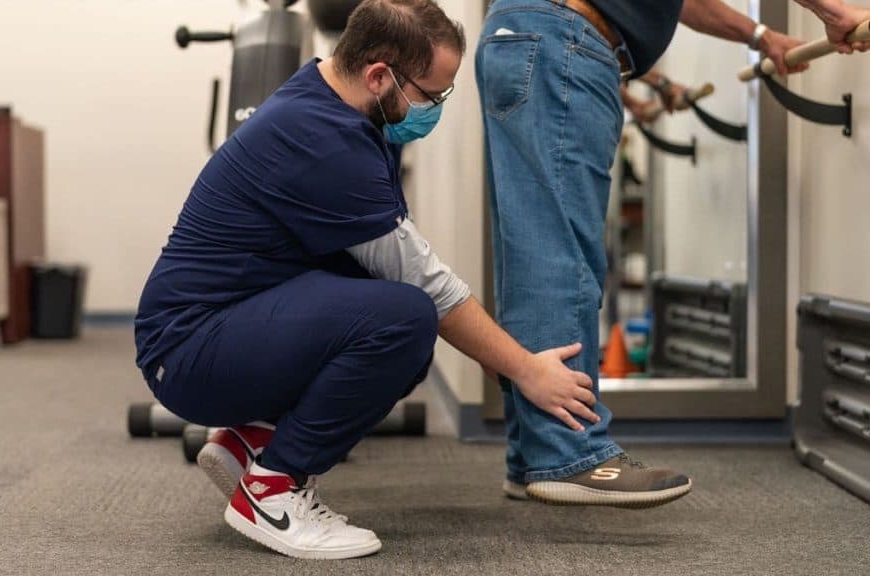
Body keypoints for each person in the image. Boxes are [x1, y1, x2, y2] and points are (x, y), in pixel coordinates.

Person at [135, 0, 670, 560]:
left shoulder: (329, 100)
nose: (433, 109)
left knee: (381, 296)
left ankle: (251, 439)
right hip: (189, 348)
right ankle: (272, 491)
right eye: (430, 95)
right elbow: (429, 286)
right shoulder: (325, 142)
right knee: (407, 319)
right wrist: (525, 370)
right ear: (378, 76)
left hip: (211, 328)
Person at [475, 0, 870, 508]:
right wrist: (831, 10)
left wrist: (759, 36)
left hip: (528, 37)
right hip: (560, 39)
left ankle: (531, 454)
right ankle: (568, 454)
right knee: (561, 251)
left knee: (532, 247)